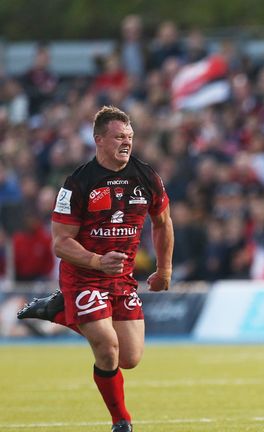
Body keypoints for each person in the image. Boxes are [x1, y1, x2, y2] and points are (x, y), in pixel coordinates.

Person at [16, 106, 173, 432]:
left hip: (122, 279)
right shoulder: (78, 184)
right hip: (83, 275)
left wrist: (164, 270)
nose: (126, 142)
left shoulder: (146, 176)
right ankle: (121, 421)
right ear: (99, 140)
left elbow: (162, 222)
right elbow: (60, 243)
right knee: (106, 345)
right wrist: (96, 261)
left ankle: (59, 311)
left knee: (129, 358)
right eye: (119, 137)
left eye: (129, 137)